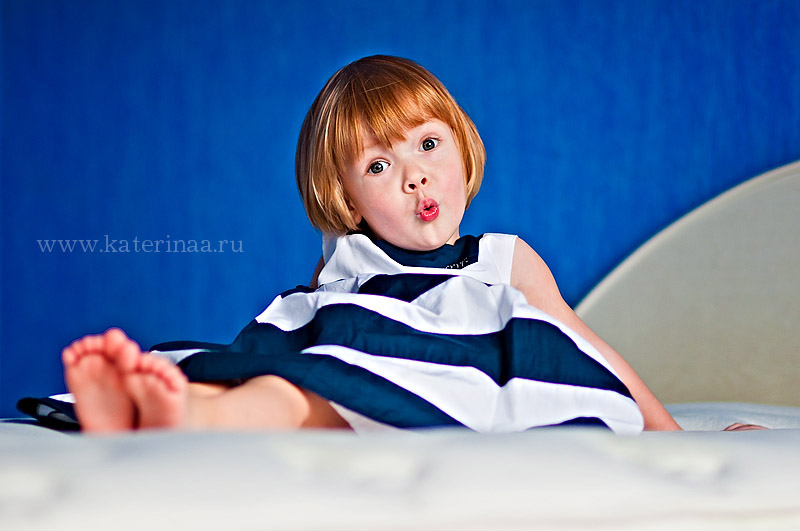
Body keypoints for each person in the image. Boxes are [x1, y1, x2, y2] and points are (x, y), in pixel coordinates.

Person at [62, 55, 684, 434]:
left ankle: (192, 417)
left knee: (315, 398)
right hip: (346, 367)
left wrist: (670, 434)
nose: (415, 176)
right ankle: (182, 406)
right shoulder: (349, 260)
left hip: (444, 376)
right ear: (350, 202)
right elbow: (310, 339)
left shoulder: (500, 258)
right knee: (291, 384)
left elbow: (584, 346)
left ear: (463, 148)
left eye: (428, 145)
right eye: (379, 167)